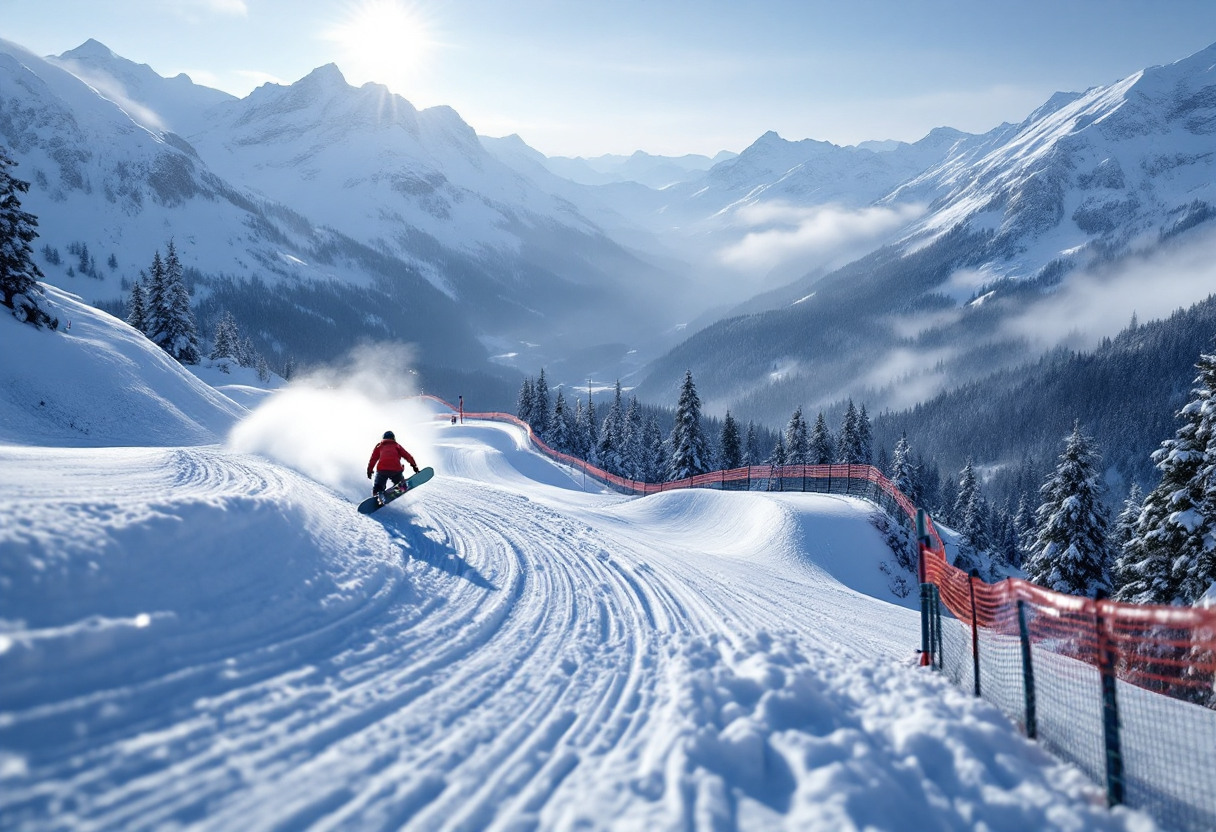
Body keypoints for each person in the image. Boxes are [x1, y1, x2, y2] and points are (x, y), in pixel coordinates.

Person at [367, 430, 420, 504]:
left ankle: (378, 493)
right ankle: (402, 486)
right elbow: (407, 456)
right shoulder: (397, 446)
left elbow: (373, 459)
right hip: (396, 470)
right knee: (399, 481)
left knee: (378, 485)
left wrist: (369, 470)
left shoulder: (379, 446)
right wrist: (414, 466)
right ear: (393, 438)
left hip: (382, 470)